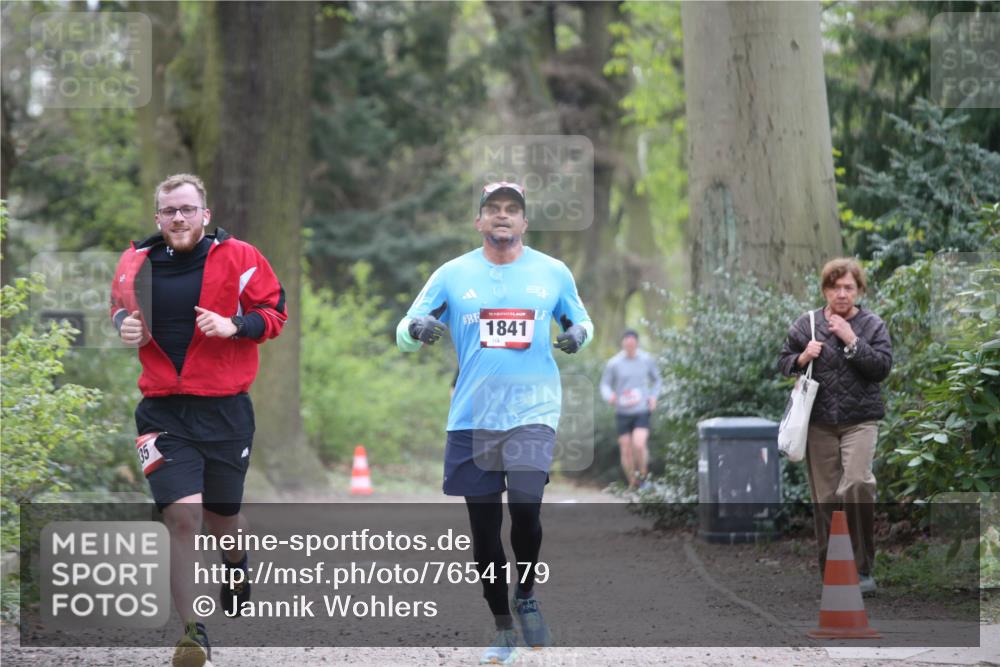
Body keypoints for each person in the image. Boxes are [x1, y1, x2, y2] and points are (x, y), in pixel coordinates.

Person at [397, 181, 593, 664]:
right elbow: (404, 329)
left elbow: (584, 322)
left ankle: (525, 592)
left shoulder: (552, 272)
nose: (502, 216)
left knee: (526, 507)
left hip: (533, 413)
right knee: (484, 533)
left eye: (512, 209)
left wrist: (576, 335)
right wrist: (416, 329)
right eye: (493, 209)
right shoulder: (451, 274)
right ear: (479, 221)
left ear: (525, 222)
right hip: (472, 418)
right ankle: (503, 626)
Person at [110, 173, 287, 667]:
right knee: (181, 518)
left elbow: (274, 312)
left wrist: (235, 326)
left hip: (226, 410)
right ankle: (193, 634)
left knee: (221, 520)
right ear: (158, 218)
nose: (179, 219)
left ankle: (236, 562)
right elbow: (117, 309)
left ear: (205, 215)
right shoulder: (135, 263)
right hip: (162, 411)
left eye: (188, 209)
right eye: (170, 211)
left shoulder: (241, 257)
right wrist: (122, 327)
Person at [778, 258, 892, 595]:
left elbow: (882, 367)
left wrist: (851, 340)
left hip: (861, 422)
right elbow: (783, 361)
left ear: (859, 291)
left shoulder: (872, 325)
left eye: (848, 287)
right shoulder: (807, 324)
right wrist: (801, 358)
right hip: (819, 424)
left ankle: (862, 570)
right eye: (835, 287)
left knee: (857, 485)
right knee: (826, 498)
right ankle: (832, 572)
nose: (841, 294)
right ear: (825, 289)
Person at [600, 329, 662, 490]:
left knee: (639, 444)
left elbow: (657, 380)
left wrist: (653, 397)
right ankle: (632, 483)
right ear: (623, 344)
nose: (629, 347)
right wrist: (610, 396)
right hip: (622, 411)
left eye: (632, 344)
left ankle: (643, 477)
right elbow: (605, 384)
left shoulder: (646, 360)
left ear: (637, 344)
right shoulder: (614, 363)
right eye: (626, 344)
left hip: (641, 409)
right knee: (626, 448)